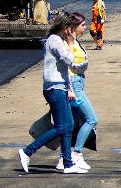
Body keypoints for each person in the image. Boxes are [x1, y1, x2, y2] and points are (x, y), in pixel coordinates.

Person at [18, 13, 87, 174]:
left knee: (68, 126)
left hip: (61, 87)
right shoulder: (55, 40)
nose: (72, 33)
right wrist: (71, 43)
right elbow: (69, 60)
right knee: (61, 127)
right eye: (70, 29)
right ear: (64, 28)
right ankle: (27, 151)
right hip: (54, 88)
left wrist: (69, 88)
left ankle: (68, 164)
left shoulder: (57, 40)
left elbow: (64, 69)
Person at [58, 12, 97, 171]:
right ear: (74, 26)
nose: (85, 27)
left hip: (78, 82)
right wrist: (71, 89)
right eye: (82, 25)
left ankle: (63, 157)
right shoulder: (70, 44)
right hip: (74, 85)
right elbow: (67, 67)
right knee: (91, 119)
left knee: (72, 123)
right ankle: (77, 154)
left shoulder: (75, 42)